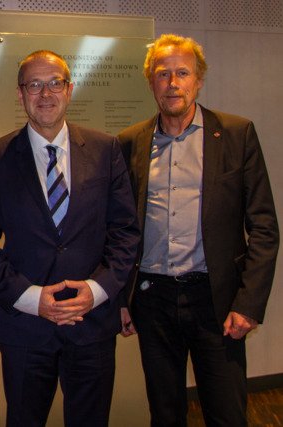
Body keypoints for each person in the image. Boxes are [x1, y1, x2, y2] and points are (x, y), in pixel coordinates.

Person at [0, 50, 139, 426]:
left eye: (54, 83)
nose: (45, 93)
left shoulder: (105, 149)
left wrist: (96, 291)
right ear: (20, 94)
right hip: (26, 330)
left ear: (70, 89)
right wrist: (33, 299)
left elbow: (125, 232)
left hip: (91, 323)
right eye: (34, 85)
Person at [118, 34, 279, 426]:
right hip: (152, 300)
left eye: (183, 73)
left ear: (199, 80)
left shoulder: (237, 134)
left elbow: (263, 226)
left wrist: (249, 303)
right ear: (150, 82)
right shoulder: (129, 143)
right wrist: (122, 298)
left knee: (226, 413)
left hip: (217, 302)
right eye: (163, 74)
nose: (173, 82)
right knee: (165, 413)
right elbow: (119, 229)